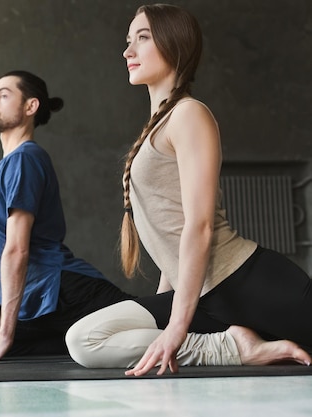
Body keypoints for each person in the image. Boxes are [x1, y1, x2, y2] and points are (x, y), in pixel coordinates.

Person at [65, 3, 312, 375]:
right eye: (128, 41)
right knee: (83, 340)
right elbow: (171, 237)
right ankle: (232, 346)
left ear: (174, 44)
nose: (127, 51)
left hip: (246, 284)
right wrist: (169, 312)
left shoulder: (189, 114)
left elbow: (198, 226)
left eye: (142, 38)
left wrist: (175, 328)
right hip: (198, 297)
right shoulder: (159, 123)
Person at [0, 70, 135, 361]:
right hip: (33, 298)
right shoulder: (9, 164)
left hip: (63, 289)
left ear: (30, 107)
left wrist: (3, 338)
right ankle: (68, 342)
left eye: (3, 95)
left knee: (154, 317)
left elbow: (17, 249)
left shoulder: (25, 158)